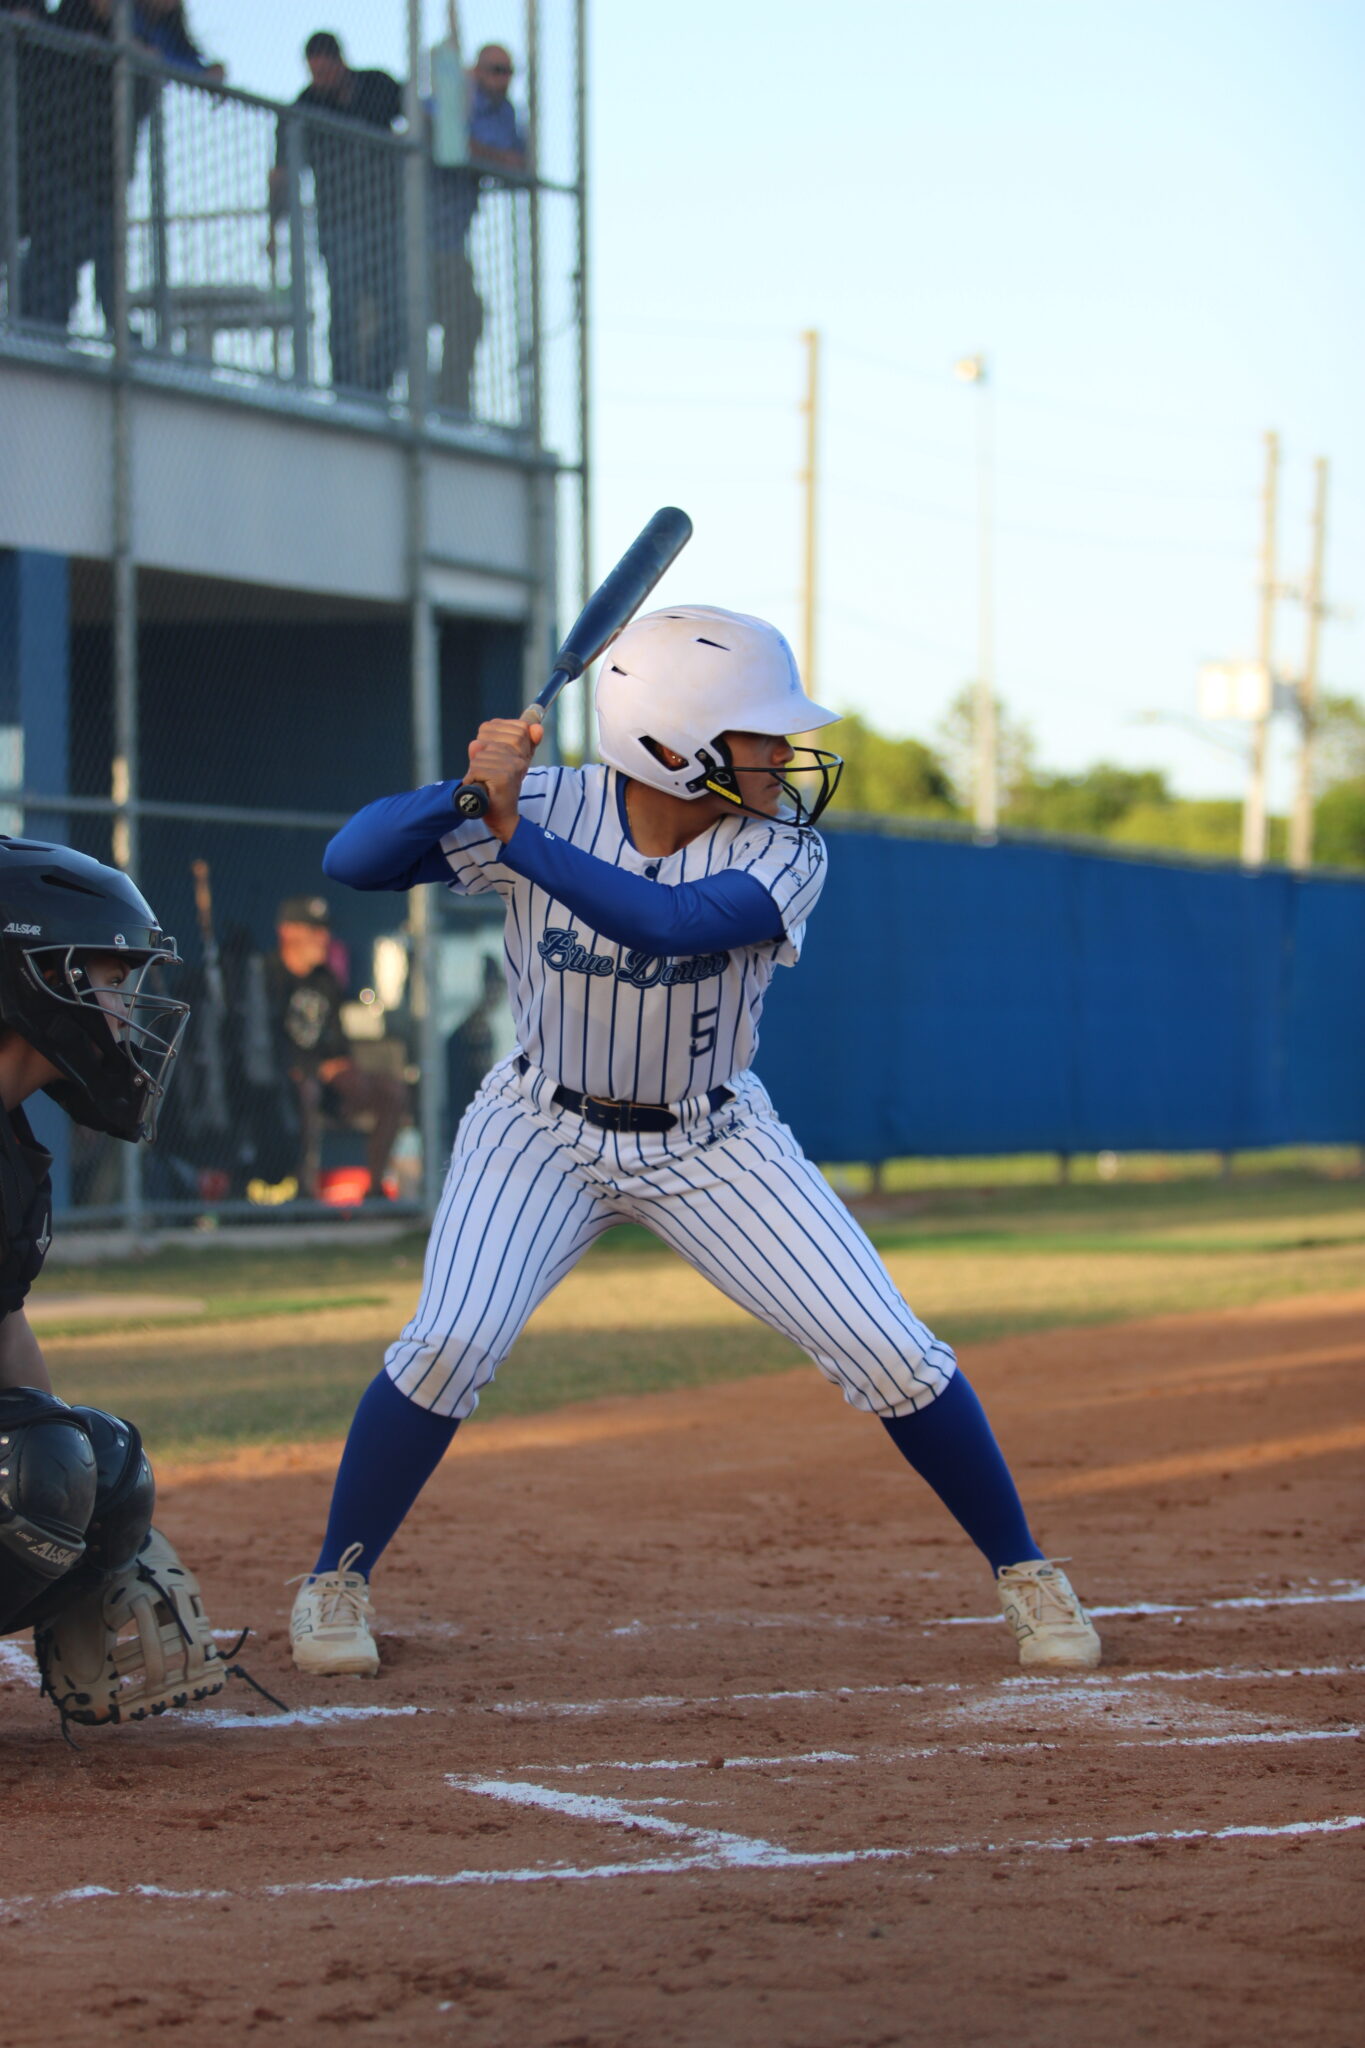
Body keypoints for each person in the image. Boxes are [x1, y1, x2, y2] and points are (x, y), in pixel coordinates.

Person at [287, 607, 1101, 1679]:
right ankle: (335, 1578)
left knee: (892, 1352)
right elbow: (352, 859)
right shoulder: (552, 800)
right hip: (538, 1126)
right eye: (761, 735)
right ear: (674, 745)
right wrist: (467, 794)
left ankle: (1026, 1569)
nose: (786, 756)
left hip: (710, 1137)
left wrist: (513, 833)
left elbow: (668, 924)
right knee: (448, 1343)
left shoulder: (782, 849)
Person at [0, 835, 236, 1727]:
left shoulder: (13, 1142)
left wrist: (94, 1545)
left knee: (95, 1468)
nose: (130, 1006)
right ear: (28, 976)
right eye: (109, 976)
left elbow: (4, 1331)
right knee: (32, 1471)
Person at [268, 31, 404, 397]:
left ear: (340, 62)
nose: (321, 80)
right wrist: (272, 229)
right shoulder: (304, 108)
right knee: (344, 307)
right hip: (338, 224)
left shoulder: (377, 86)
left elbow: (419, 117)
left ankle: (377, 390)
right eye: (315, 74)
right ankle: (345, 392)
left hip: (387, 221)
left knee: (397, 309)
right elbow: (281, 174)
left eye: (325, 72)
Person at [265, 894, 407, 1202]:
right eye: (313, 930)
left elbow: (336, 1044)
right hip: (281, 1084)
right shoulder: (268, 975)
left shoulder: (325, 980)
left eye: (325, 930)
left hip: (328, 1083)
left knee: (392, 1091)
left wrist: (342, 1069)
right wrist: (312, 1069)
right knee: (306, 1089)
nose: (323, 938)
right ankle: (304, 1191)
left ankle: (375, 1189)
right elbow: (266, 1044)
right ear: (287, 931)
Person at [428, 41, 526, 415]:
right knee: (412, 316)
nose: (503, 79)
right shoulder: (453, 97)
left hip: (451, 239)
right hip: (415, 235)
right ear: (476, 71)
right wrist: (477, 151)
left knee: (467, 315)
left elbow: (518, 165)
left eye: (508, 71)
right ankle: (410, 400)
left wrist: (474, 151)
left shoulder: (505, 114)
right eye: (495, 70)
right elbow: (443, 140)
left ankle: (450, 404)